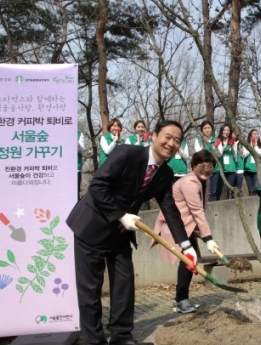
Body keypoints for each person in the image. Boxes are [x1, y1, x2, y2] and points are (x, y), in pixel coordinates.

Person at [66, 120, 198, 345]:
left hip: (120, 233)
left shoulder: (164, 173)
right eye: (167, 137)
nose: (171, 143)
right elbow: (97, 186)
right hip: (92, 228)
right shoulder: (126, 153)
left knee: (124, 285)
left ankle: (122, 335)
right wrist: (121, 214)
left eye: (177, 140)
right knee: (90, 289)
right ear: (153, 135)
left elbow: (170, 210)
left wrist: (186, 247)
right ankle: (93, 339)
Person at [151, 150, 220, 314]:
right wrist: (208, 238)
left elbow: (199, 209)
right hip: (177, 228)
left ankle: (181, 300)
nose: (206, 169)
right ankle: (181, 301)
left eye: (210, 166)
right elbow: (197, 211)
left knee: (189, 262)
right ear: (194, 166)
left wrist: (201, 233)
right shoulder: (189, 183)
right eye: (202, 166)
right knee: (188, 261)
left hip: (187, 226)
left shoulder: (204, 181)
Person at [193, 121, 220, 201]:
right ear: (202, 130)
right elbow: (198, 154)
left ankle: (214, 210)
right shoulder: (198, 140)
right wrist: (203, 145)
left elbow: (219, 155)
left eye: (208, 128)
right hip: (203, 170)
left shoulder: (217, 140)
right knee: (203, 191)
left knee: (214, 191)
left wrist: (216, 147)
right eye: (205, 128)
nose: (207, 130)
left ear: (212, 129)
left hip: (215, 169)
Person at [214, 124, 238, 200]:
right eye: (224, 130)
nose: (226, 132)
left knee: (230, 190)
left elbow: (235, 156)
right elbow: (219, 154)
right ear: (221, 131)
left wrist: (231, 146)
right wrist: (225, 146)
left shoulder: (232, 141)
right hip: (221, 168)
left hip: (231, 168)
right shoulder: (218, 140)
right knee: (218, 189)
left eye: (228, 130)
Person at [242, 129, 261, 196]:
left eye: (257, 134)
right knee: (251, 190)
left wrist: (256, 147)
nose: (256, 135)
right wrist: (251, 146)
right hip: (247, 170)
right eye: (254, 134)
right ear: (250, 136)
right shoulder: (246, 145)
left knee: (257, 188)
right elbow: (243, 155)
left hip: (257, 170)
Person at [232, 130, 244, 196]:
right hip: (232, 168)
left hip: (240, 168)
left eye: (236, 133)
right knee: (232, 187)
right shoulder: (229, 142)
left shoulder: (241, 142)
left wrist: (239, 146)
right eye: (233, 133)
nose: (235, 134)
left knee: (239, 188)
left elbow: (243, 154)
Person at [77, 130, 85, 200]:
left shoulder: (79, 134)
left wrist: (75, 141)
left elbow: (81, 150)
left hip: (76, 169)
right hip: (62, 169)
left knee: (76, 192)